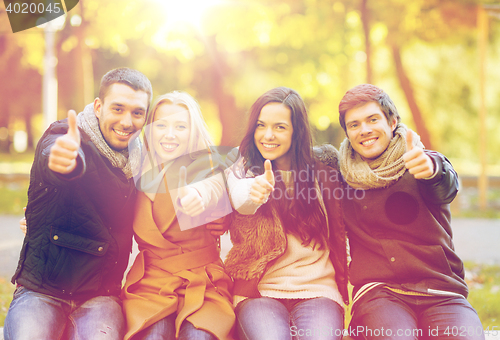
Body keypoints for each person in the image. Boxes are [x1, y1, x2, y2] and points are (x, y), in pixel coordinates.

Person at [4, 67, 153, 340]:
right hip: (42, 290)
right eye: (117, 109)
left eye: (137, 112)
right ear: (98, 106)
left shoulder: (142, 161)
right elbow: (62, 157)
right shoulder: (66, 137)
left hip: (100, 297)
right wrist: (65, 161)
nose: (127, 121)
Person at [336, 84, 484, 340]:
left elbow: (446, 185)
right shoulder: (342, 176)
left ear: (392, 121)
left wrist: (431, 170)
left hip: (441, 291)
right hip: (379, 293)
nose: (365, 130)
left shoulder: (420, 160)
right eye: (354, 124)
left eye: (373, 119)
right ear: (348, 133)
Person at [224, 87, 349, 340]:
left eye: (279, 127)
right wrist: (254, 192)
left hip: (319, 291)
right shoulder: (242, 169)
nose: (267, 135)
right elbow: (238, 198)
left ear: (296, 131)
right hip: (259, 294)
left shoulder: (324, 171)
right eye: (261, 125)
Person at [121, 91, 235, 340]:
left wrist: (198, 195)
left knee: (199, 336)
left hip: (204, 283)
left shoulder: (205, 163)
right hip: (150, 284)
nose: (170, 134)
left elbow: (212, 186)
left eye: (180, 126)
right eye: (161, 125)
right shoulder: (134, 167)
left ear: (192, 131)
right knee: (152, 335)